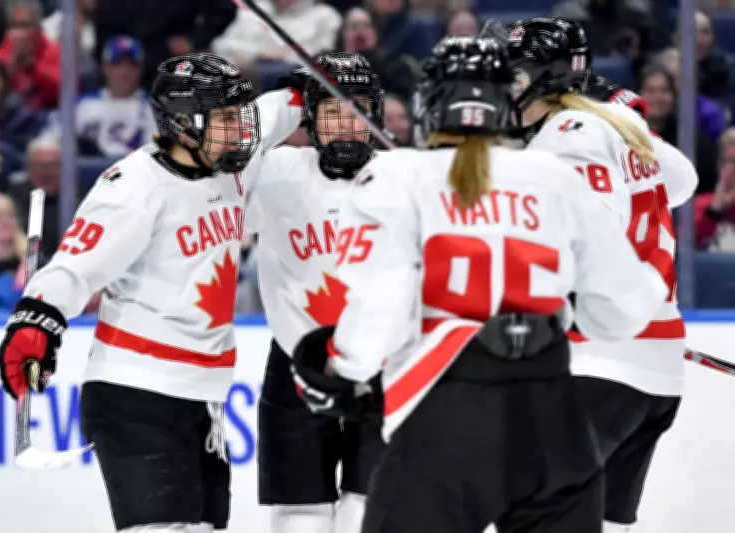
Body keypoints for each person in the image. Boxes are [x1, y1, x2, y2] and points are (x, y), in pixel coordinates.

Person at [290, 36, 668, 533]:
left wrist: (342, 369)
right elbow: (624, 308)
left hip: (445, 411)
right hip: (552, 413)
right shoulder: (553, 175)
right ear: (501, 99)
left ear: (432, 103)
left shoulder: (395, 176)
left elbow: (382, 302)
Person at [0, 53, 302, 533]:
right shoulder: (134, 186)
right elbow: (75, 266)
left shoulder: (222, 151)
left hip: (201, 398)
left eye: (238, 117)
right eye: (224, 119)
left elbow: (273, 111)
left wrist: (310, 89)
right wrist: (36, 319)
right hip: (137, 393)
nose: (240, 129)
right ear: (183, 123)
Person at [504, 17, 698, 533]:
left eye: (517, 76)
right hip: (654, 368)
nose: (508, 88)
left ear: (546, 78)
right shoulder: (617, 125)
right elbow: (681, 181)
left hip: (601, 364)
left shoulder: (564, 141)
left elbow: (589, 243)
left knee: (531, 511)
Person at [246, 52, 385, 533]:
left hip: (385, 367)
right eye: (332, 109)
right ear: (309, 117)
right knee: (300, 516)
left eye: (358, 108)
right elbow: (230, 145)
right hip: (296, 363)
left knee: (369, 509)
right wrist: (284, 101)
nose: (347, 123)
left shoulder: (406, 179)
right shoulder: (276, 171)